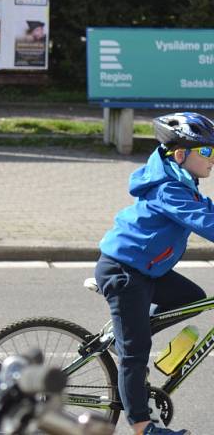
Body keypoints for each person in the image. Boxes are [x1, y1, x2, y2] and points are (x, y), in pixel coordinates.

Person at [95, 112, 214, 435]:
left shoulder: (182, 181)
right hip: (125, 272)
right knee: (136, 354)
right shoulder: (168, 189)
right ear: (180, 154)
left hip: (146, 270)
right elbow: (205, 223)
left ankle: (126, 335)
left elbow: (207, 211)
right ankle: (142, 426)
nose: (212, 159)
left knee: (192, 298)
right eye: (207, 151)